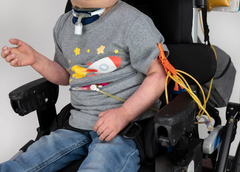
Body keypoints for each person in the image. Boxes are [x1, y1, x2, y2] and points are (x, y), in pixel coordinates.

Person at [0, 0, 168, 171]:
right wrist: (37, 60)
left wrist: (123, 114)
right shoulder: (63, 25)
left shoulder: (133, 22)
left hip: (124, 129)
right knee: (23, 164)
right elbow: (67, 75)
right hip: (76, 124)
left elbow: (159, 75)